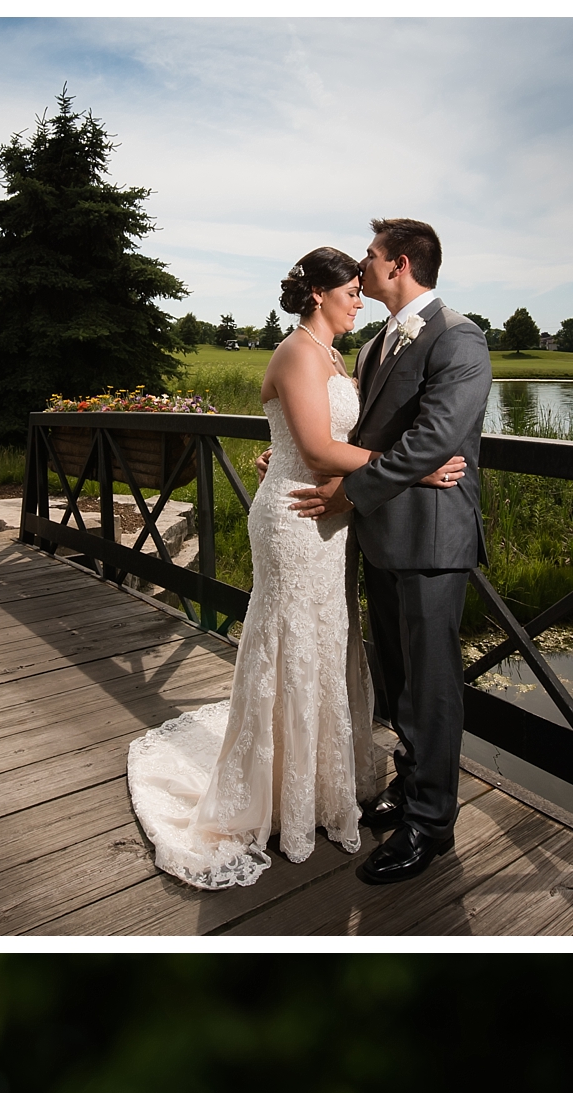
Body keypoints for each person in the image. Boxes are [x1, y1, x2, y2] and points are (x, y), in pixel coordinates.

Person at [127, 245, 469, 890]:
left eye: (362, 288)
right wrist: (417, 469)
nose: (359, 299)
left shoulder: (344, 354)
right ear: (319, 294)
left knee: (326, 642)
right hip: (297, 518)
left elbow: (325, 434)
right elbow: (313, 446)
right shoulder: (296, 351)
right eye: (350, 292)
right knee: (293, 641)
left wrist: (282, 453)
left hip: (332, 519)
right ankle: (283, 794)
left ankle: (319, 783)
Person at [288, 219, 493, 885]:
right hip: (384, 537)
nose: (363, 267)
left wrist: (348, 493)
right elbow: (364, 432)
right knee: (401, 681)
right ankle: (410, 791)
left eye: (371, 258)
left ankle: (431, 826)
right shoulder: (377, 344)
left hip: (433, 538)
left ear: (399, 264)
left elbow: (435, 441)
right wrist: (294, 459)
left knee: (432, 688)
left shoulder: (460, 338)